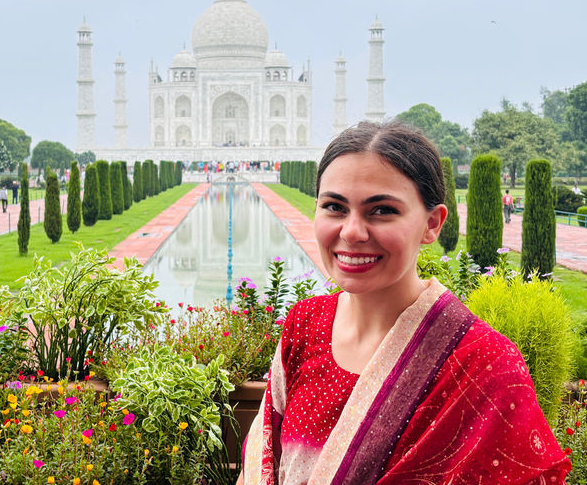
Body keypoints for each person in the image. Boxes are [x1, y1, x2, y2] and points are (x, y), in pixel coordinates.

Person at [239, 121, 569, 485]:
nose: (351, 232)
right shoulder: (305, 323)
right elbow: (264, 461)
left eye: (382, 211)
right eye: (334, 206)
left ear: (432, 224)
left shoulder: (484, 364)